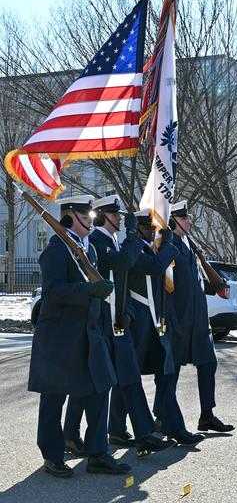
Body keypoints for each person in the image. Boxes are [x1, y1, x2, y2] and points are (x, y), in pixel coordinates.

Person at [28, 195, 131, 477]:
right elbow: (53, 292)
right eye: (85, 218)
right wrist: (88, 291)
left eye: (91, 218)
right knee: (54, 397)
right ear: (69, 216)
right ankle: (52, 454)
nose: (90, 223)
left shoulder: (88, 249)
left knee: (99, 391)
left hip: (90, 334)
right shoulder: (56, 250)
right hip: (60, 336)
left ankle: (98, 453)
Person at [89, 196, 176, 456]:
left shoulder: (115, 241)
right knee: (92, 389)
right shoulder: (97, 242)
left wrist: (125, 310)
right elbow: (125, 263)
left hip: (120, 320)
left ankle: (139, 433)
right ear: (103, 216)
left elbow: (122, 282)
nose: (119, 218)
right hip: (105, 321)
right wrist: (134, 236)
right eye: (115, 215)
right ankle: (75, 435)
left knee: (127, 379)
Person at [126, 209, 205, 445]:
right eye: (149, 228)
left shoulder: (150, 248)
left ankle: (175, 427)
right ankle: (117, 429)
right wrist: (168, 246)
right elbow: (154, 267)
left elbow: (160, 287)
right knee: (126, 382)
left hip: (156, 323)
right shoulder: (133, 249)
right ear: (138, 228)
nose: (154, 233)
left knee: (166, 374)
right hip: (138, 324)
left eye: (155, 229)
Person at [165, 200, 234, 433]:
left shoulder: (187, 243)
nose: (189, 221)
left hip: (199, 320)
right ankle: (161, 414)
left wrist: (213, 286)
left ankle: (207, 415)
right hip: (180, 319)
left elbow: (192, 282)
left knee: (208, 363)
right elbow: (168, 286)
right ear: (173, 220)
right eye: (184, 218)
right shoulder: (168, 245)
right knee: (171, 371)